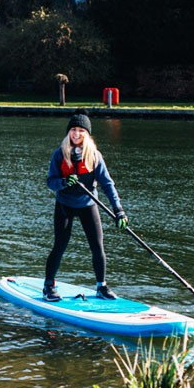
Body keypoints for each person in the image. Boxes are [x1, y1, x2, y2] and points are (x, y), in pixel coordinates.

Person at [43, 109, 126, 302]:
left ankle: (101, 287)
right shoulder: (59, 154)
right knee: (60, 246)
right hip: (64, 205)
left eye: (81, 130)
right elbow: (50, 182)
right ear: (68, 132)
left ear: (86, 134)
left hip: (88, 205)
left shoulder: (94, 156)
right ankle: (48, 286)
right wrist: (64, 183)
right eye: (73, 129)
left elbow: (107, 184)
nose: (76, 133)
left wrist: (119, 210)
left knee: (98, 247)